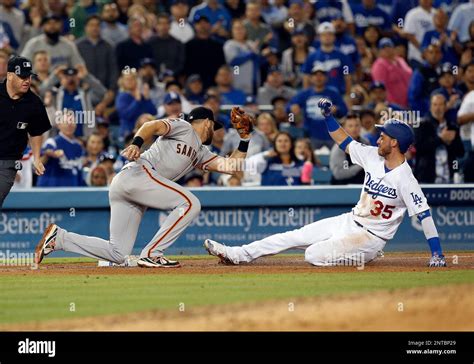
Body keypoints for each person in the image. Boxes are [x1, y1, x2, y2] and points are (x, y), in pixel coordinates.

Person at [204, 98, 448, 268]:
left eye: (383, 136)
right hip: (350, 220)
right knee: (292, 236)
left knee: (313, 254)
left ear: (394, 143)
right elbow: (344, 140)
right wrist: (329, 117)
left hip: (371, 238)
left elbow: (424, 214)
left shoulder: (405, 178)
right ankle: (238, 254)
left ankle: (363, 257)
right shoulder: (373, 155)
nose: (379, 138)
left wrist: (436, 253)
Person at [35, 106, 253, 268]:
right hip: (138, 173)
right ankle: (153, 253)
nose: (214, 132)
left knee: (118, 253)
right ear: (207, 122)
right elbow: (151, 125)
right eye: (213, 127)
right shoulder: (184, 127)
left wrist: (244, 139)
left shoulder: (201, 153)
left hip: (130, 186)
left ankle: (60, 238)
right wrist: (136, 144)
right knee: (190, 203)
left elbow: (231, 166)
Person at [0, 56, 51, 208]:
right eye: (22, 76)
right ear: (9, 75)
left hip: (8, 162)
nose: (27, 80)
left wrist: (36, 158)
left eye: (28, 76)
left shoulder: (34, 103)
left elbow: (36, 132)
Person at [288, 64, 347, 148]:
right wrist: (292, 108)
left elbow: (344, 110)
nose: (318, 77)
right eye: (315, 75)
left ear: (326, 78)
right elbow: (288, 106)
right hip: (311, 135)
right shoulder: (304, 94)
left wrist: (337, 109)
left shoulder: (333, 93)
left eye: (321, 75)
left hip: (331, 135)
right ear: (311, 78)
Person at [414, 93, 464, 183]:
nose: (438, 108)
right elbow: (419, 148)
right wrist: (441, 139)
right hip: (427, 177)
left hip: (449, 177)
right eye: (435, 104)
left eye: (441, 105)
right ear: (430, 107)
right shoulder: (422, 125)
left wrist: (451, 142)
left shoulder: (452, 127)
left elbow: (460, 152)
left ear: (445, 106)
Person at [301, 22, 353, 96]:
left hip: (338, 95)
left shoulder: (342, 56)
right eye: (324, 35)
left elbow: (347, 77)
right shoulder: (312, 57)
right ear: (319, 37)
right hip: (317, 96)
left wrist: (348, 95)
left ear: (334, 36)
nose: (327, 37)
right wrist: (306, 96)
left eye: (330, 34)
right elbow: (306, 78)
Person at [37, 110, 85, 187]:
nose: (69, 124)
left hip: (73, 191)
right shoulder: (52, 142)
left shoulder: (78, 146)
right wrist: (49, 154)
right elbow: (39, 164)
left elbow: (79, 172)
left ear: (76, 125)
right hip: (51, 191)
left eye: (72, 121)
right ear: (59, 125)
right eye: (66, 121)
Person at [21, 15, 85, 71]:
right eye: (48, 23)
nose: (52, 26)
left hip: (64, 81)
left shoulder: (69, 45)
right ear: (43, 26)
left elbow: (79, 66)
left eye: (55, 23)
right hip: (39, 82)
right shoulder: (33, 44)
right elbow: (22, 64)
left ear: (61, 26)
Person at [371, 37, 412, 108]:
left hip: (409, 102)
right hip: (393, 105)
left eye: (389, 46)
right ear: (379, 51)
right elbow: (381, 89)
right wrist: (391, 105)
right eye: (384, 48)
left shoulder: (400, 60)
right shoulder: (379, 66)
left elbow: (409, 76)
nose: (387, 49)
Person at [330, 114, 368, 185]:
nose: (354, 129)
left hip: (362, 186)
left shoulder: (365, 143)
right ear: (344, 128)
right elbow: (339, 174)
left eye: (357, 125)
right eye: (350, 126)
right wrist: (361, 165)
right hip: (342, 187)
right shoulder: (339, 148)